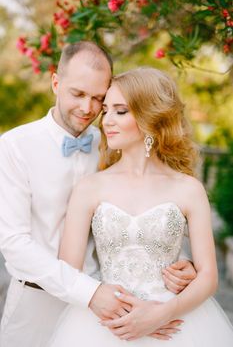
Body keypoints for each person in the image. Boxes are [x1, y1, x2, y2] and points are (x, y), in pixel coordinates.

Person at [0, 42, 195, 347]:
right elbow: (14, 244)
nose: (88, 108)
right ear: (55, 83)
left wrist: (178, 261)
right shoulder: (14, 147)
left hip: (111, 303)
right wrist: (89, 293)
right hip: (37, 302)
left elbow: (142, 207)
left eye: (98, 98)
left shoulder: (113, 141)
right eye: (77, 94)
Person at [47, 67, 233, 346]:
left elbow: (208, 277)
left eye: (120, 111)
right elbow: (68, 270)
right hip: (102, 323)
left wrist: (162, 314)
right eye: (106, 110)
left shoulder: (188, 189)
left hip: (175, 324)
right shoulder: (89, 188)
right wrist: (108, 305)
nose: (107, 120)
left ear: (150, 117)